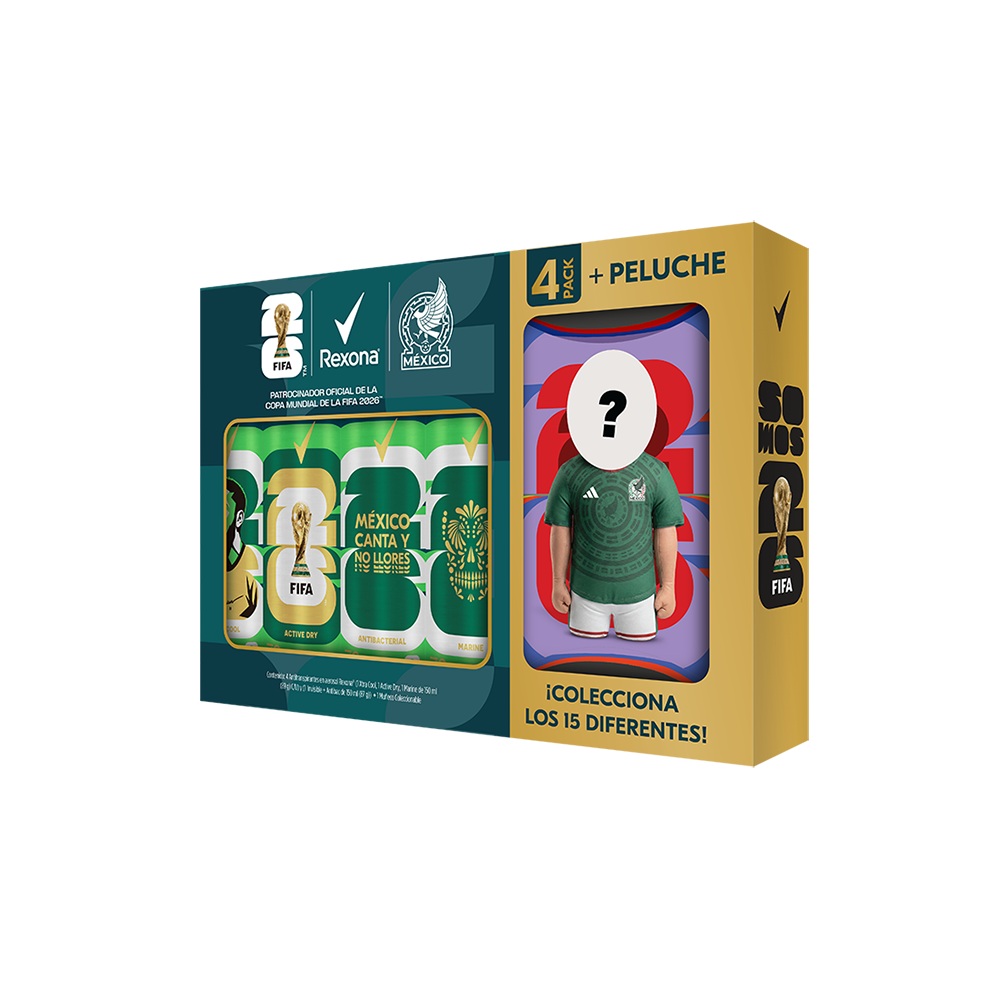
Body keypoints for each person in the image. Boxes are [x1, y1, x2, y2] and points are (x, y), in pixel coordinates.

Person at [545, 452, 683, 641]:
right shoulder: (570, 472)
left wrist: (668, 587)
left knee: (636, 653)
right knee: (586, 653)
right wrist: (558, 582)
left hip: (640, 598)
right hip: (584, 596)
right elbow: (560, 528)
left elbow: (666, 529)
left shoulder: (656, 472)